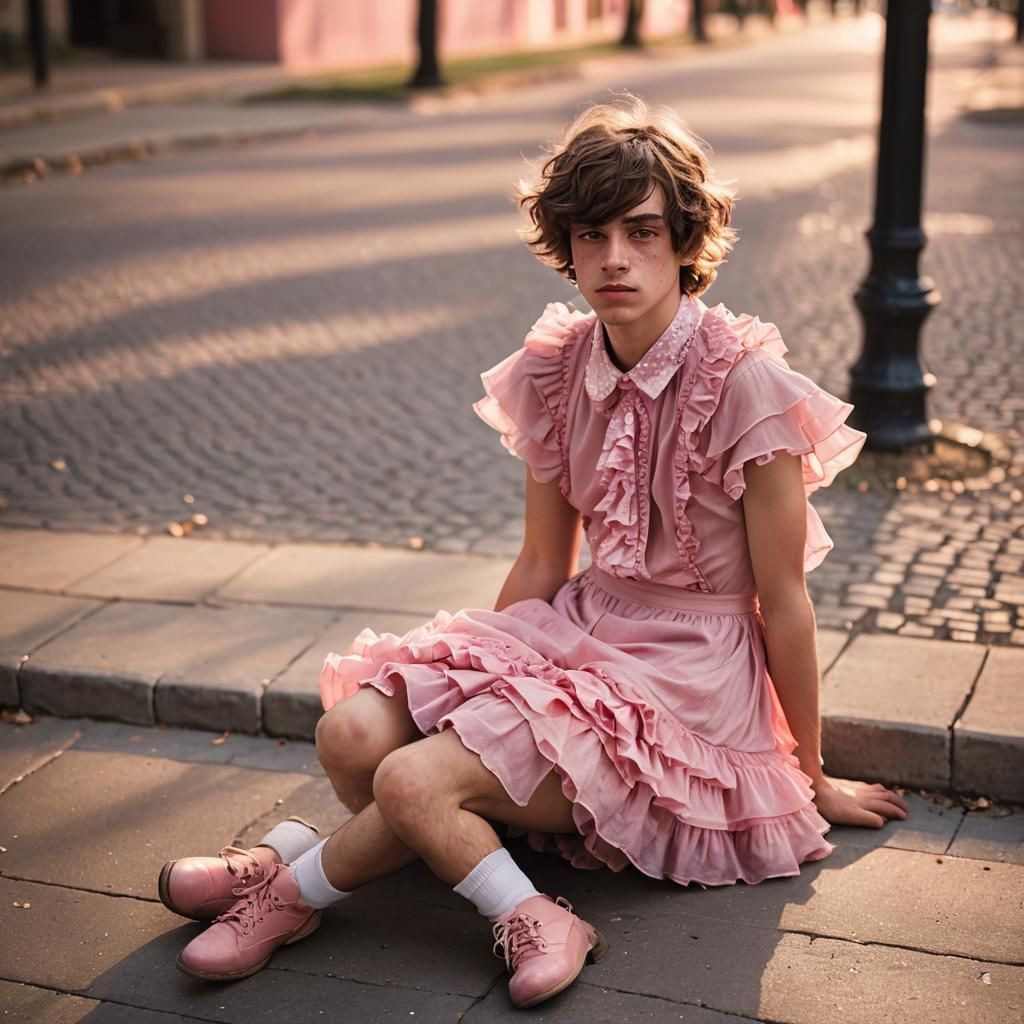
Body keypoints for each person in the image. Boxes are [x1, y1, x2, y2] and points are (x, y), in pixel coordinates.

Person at [158, 98, 908, 1010]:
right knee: (351, 733)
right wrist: (491, 674)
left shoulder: (743, 382)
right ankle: (351, 858)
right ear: (566, 244)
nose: (615, 260)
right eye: (591, 235)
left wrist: (811, 774)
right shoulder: (557, 369)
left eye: (641, 232)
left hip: (691, 680)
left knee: (410, 777)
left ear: (684, 240)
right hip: (582, 627)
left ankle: (306, 891)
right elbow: (543, 566)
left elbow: (785, 600)